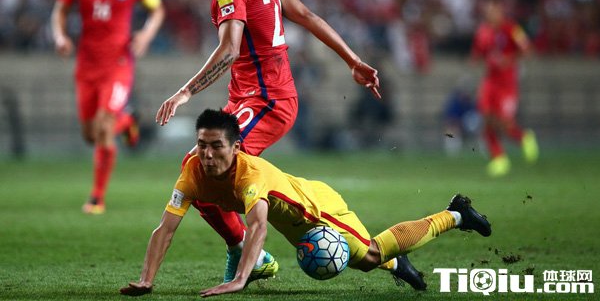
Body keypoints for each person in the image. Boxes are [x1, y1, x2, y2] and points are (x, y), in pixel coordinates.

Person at [154, 0, 381, 283]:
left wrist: (184, 93)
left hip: (267, 101)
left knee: (204, 168)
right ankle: (246, 246)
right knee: (196, 167)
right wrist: (352, 60)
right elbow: (307, 16)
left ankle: (258, 244)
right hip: (250, 98)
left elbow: (229, 49)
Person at [120, 109, 491, 297]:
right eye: (202, 145)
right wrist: (146, 280)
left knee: (371, 255)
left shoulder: (250, 175)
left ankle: (455, 214)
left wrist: (240, 279)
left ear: (236, 147)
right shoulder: (191, 173)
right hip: (296, 222)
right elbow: (165, 228)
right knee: (361, 263)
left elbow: (258, 227)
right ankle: (398, 262)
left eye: (217, 146)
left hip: (318, 210)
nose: (207, 154)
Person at [51, 0, 165, 214]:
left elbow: (157, 9)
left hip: (119, 65)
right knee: (90, 135)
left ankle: (96, 198)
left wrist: (145, 35)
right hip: (87, 65)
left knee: (103, 128)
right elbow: (60, 10)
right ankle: (127, 123)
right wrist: (60, 36)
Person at [470, 0, 538, 176]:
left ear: (501, 11)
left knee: (504, 122)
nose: (491, 14)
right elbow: (477, 53)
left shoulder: (512, 28)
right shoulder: (483, 31)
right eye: (488, 11)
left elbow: (528, 50)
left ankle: (524, 137)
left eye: (494, 10)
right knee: (486, 118)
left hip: (507, 83)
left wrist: (510, 60)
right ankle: (499, 158)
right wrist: (474, 61)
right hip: (489, 81)